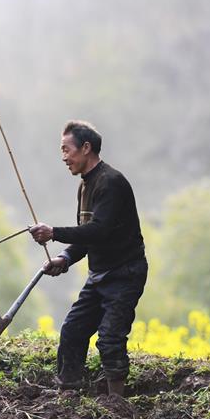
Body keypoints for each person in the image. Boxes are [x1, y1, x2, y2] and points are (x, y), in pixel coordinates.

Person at [29, 120, 147, 397]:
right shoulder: (84, 187)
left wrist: (54, 232)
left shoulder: (111, 183)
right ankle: (68, 392)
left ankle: (116, 403)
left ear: (86, 147)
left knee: (110, 339)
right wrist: (64, 259)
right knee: (72, 330)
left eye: (66, 150)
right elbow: (86, 237)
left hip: (124, 273)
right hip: (99, 275)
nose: (64, 157)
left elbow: (100, 231)